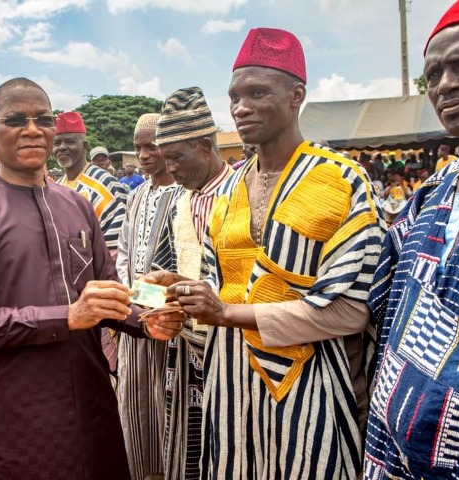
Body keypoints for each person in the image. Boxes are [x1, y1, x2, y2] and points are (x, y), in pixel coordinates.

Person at [0, 77, 184, 479]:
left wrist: (148, 320)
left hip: (89, 398)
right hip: (13, 408)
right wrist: (66, 316)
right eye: (16, 120)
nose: (32, 130)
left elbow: (107, 291)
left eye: (43, 120)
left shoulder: (76, 204)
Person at [161, 29, 384, 479]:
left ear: (296, 95)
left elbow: (350, 311)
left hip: (312, 385)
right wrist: (186, 292)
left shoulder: (341, 180)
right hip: (229, 386)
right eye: (234, 97)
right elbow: (221, 288)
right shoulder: (229, 190)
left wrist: (227, 313)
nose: (240, 108)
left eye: (257, 93)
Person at [365, 1, 459, 478]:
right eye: (434, 74)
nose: (444, 84)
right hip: (394, 455)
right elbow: (381, 309)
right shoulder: (429, 196)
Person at [146, 86, 233, 480]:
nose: (171, 169)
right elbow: (167, 265)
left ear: (205, 147)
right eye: (165, 159)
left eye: (177, 158)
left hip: (234, 348)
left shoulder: (241, 194)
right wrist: (157, 292)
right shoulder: (179, 200)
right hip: (187, 347)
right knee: (191, 444)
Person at [115, 113, 177, 480]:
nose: (144, 155)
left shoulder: (184, 195)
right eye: (139, 148)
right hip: (134, 317)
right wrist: (130, 299)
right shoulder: (136, 194)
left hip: (170, 322)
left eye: (152, 147)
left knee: (166, 401)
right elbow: (124, 251)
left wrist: (155, 302)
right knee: (135, 400)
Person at [56, 112, 127, 254]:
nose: (62, 147)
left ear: (84, 146)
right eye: (57, 143)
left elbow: (116, 244)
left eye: (69, 142)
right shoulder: (57, 185)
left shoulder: (106, 183)